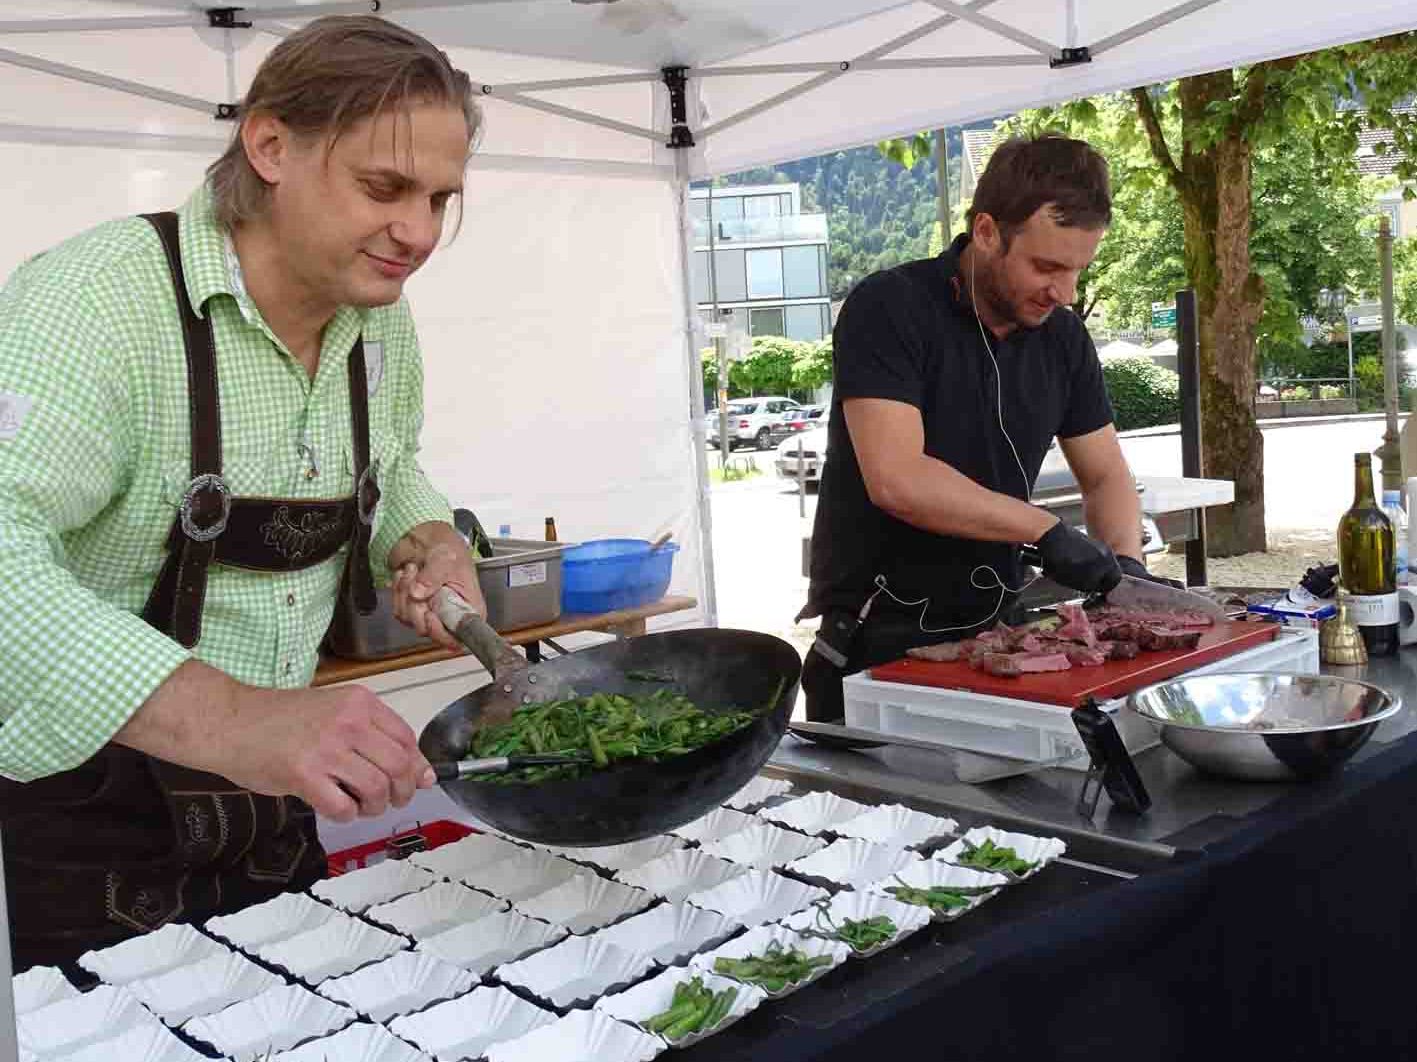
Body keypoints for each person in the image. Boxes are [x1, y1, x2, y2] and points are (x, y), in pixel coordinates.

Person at [0, 16, 491, 968]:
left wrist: (424, 531)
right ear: (269, 145)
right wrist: (236, 720)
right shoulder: (95, 303)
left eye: (440, 198)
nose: (419, 232)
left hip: (274, 817)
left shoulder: (378, 320)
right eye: (384, 188)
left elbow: (389, 459)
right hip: (71, 842)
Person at [800, 135, 1175, 723]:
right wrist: (1047, 533)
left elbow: (1104, 476)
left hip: (1002, 634)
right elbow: (898, 478)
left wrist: (1124, 575)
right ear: (986, 233)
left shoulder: (1064, 337)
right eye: (1047, 266)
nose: (1065, 292)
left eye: (1078, 271)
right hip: (878, 639)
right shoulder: (889, 307)